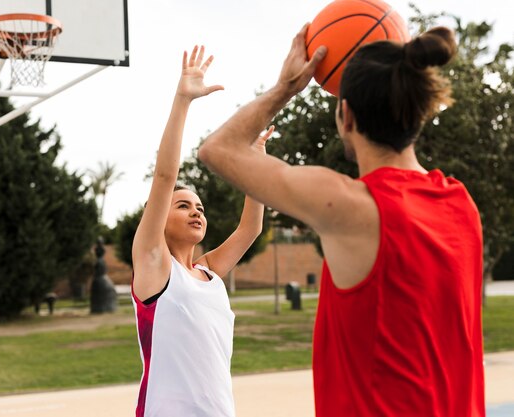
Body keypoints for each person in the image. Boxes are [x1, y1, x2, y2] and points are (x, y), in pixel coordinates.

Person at [199, 25, 484, 416]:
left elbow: (218, 149)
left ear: (346, 115)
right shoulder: (460, 203)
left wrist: (286, 87)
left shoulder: (354, 205)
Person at [131, 45, 267, 417]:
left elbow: (251, 228)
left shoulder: (207, 272)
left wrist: (254, 162)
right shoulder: (155, 268)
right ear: (157, 217)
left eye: (200, 208)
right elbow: (165, 176)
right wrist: (183, 100)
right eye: (183, 205)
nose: (196, 212)